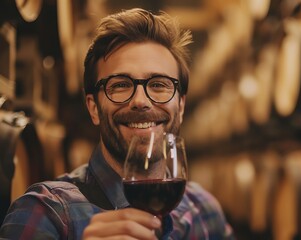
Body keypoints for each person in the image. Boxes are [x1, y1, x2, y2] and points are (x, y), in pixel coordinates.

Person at [0, 8, 234, 239]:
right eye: (120, 85)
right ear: (93, 108)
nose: (140, 101)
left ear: (181, 107)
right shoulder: (46, 214)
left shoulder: (203, 211)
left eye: (159, 84)